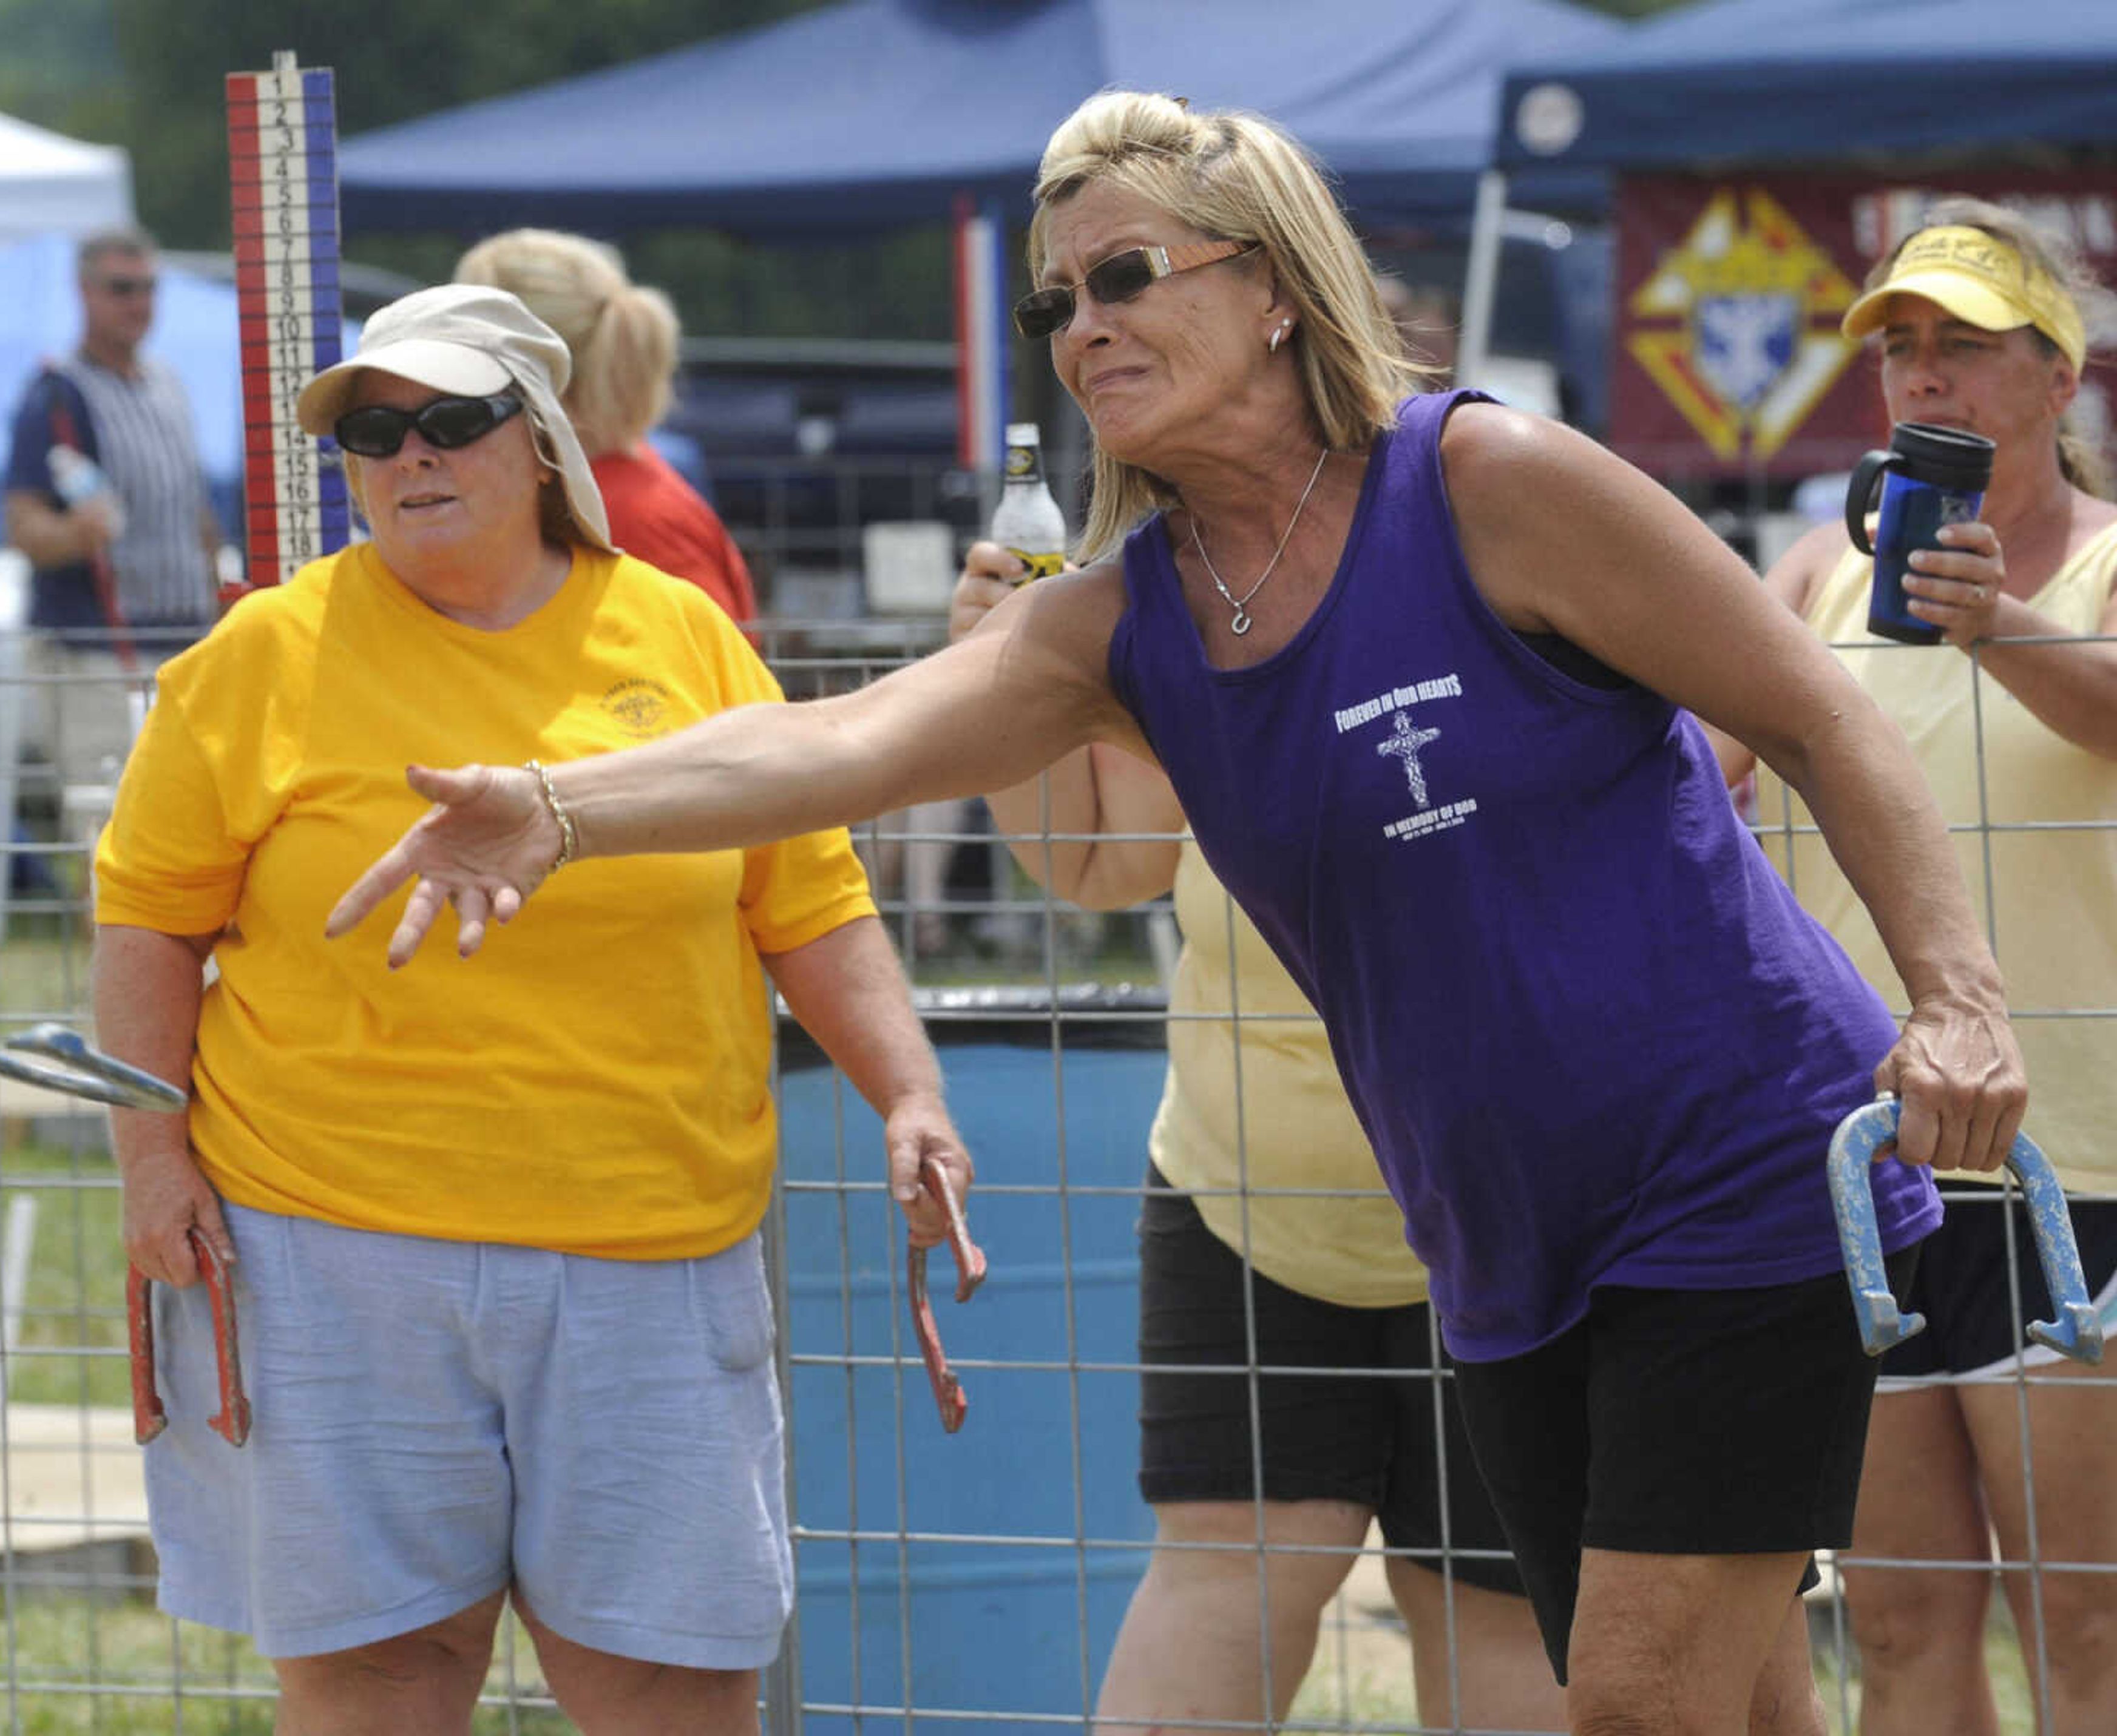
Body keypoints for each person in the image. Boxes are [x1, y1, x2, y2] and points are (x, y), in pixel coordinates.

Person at [328, 94, 2026, 1736]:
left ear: (1274, 286)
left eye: (1127, 275)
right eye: (1059, 301)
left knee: (1640, 1702)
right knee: (1736, 1700)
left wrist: (1960, 998)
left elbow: (1823, 710)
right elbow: (838, 740)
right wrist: (556, 807)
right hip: (1500, 1236)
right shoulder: (1123, 622)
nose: (1082, 328)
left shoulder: (1491, 479)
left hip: (1737, 1167)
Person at [93, 283, 972, 1736]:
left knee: (670, 1683)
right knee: (377, 1676)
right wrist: (147, 1155)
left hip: (649, 1239)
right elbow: (145, 915)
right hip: (328, 1238)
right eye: (374, 431)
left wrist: (910, 1091)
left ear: (545, 442)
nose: (410, 456)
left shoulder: (681, 638)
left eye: (451, 419)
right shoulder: (264, 652)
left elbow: (808, 899)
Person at [953, 542, 1563, 1731]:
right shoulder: (1191, 584)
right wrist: (1006, 672)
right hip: (1244, 1202)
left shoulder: (1496, 539)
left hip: (1521, 1215)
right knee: (1228, 1569)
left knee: (1498, 1612)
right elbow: (1093, 856)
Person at [1715, 198, 2117, 1736]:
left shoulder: (2089, 567)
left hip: (2067, 1152)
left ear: (2053, 376)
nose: (1921, 377)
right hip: (1861, 1157)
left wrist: (1996, 625)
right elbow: (1701, 757)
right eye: (1898, 348)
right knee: (1890, 1615)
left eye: (1960, 346)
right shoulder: (1822, 561)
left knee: (2079, 1612)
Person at [4, 228, 223, 792]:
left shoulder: (169, 384)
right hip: (95, 653)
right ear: (85, 292)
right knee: (109, 821)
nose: (139, 303)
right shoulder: (57, 395)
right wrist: (74, 534)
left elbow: (192, 510)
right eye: (122, 288)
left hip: (188, 646)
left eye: (149, 288)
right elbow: (23, 522)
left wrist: (222, 604)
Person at [455, 229, 756, 621]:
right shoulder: (589, 494)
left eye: (467, 353)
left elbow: (711, 675)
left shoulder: (627, 518)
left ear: (525, 369)